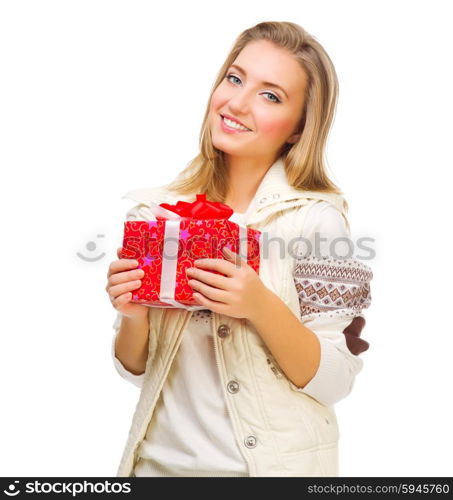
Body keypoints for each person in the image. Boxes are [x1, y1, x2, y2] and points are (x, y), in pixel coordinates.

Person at [105, 21, 373, 477]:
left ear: (298, 128)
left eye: (270, 95)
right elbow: (136, 371)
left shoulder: (317, 222)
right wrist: (132, 315)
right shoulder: (157, 215)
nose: (236, 103)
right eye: (235, 78)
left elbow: (336, 381)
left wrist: (259, 305)